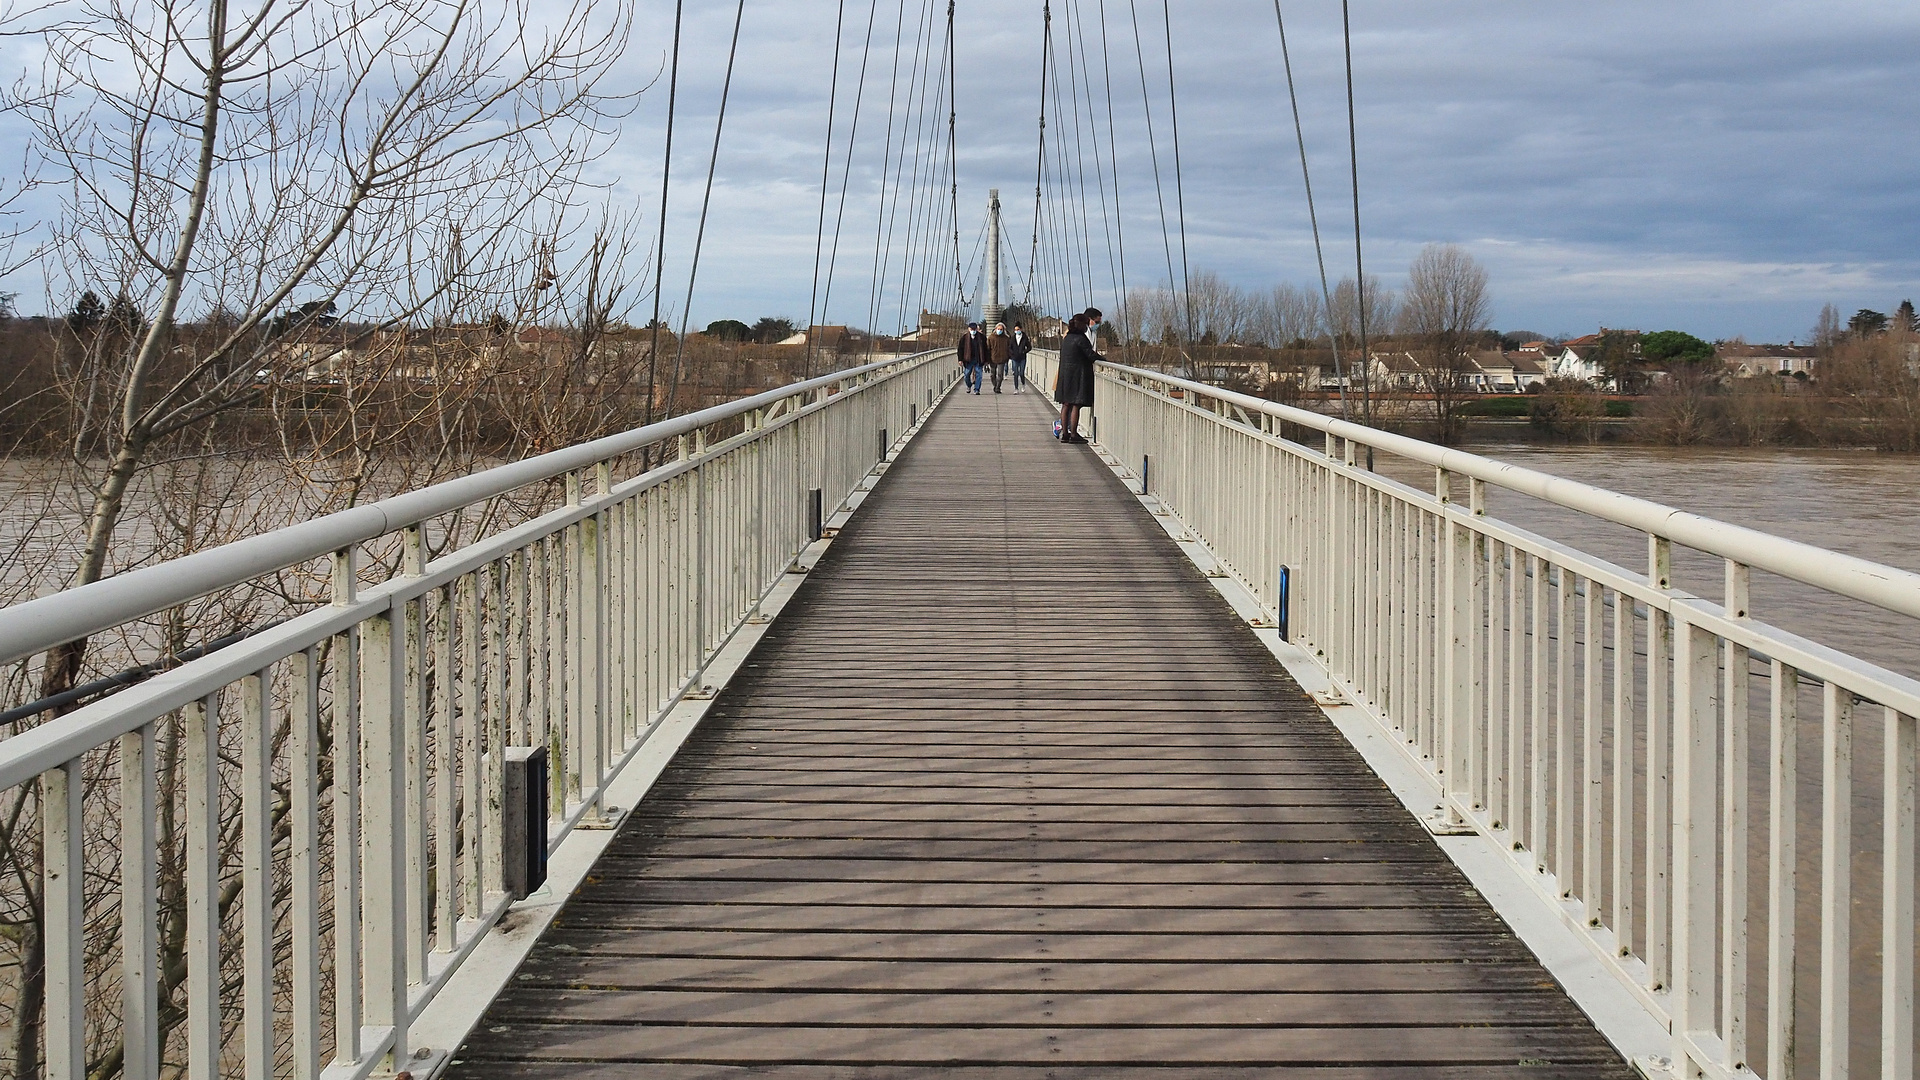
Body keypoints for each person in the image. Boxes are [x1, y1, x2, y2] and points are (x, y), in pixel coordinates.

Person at [1054, 308, 1103, 442]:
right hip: (1077, 375)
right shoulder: (1081, 339)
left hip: (1065, 375)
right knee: (1076, 404)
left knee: (1066, 404)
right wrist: (1104, 360)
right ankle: (1074, 434)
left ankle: (1065, 434)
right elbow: (1090, 355)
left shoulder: (1067, 338)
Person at [957, 322, 987, 393]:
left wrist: (986, 360)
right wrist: (960, 359)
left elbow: (986, 349)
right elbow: (960, 349)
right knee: (966, 374)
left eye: (974, 329)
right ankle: (969, 385)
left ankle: (977, 389)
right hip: (968, 360)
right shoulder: (964, 338)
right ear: (969, 329)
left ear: (976, 329)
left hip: (978, 359)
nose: (973, 331)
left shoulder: (982, 337)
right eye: (971, 329)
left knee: (979, 374)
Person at [986, 322, 1014, 393]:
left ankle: (998, 387)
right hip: (992, 359)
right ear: (995, 329)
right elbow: (987, 349)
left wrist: (1009, 356)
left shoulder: (1006, 338)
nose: (999, 330)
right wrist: (987, 359)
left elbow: (1009, 348)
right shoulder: (991, 338)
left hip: (1002, 359)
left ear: (1003, 330)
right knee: (992, 374)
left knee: (1000, 375)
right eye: (998, 329)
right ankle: (995, 385)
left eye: (1001, 329)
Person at [1008, 322, 1032, 391]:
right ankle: (1016, 388)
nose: (1016, 331)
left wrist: (1024, 351)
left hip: (1022, 358)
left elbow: (1029, 347)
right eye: (1015, 330)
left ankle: (1023, 384)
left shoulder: (1024, 338)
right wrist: (1012, 353)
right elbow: (1009, 347)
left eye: (1018, 329)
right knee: (1015, 373)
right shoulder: (1012, 338)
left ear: (1021, 329)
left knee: (1021, 373)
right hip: (1015, 358)